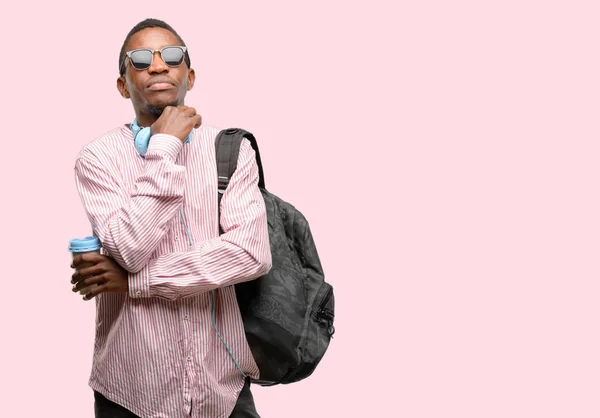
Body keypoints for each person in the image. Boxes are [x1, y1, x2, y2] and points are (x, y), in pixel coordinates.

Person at [70, 18, 272, 418]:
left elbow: (250, 254)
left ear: (189, 76)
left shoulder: (230, 150)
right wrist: (164, 145)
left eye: (172, 56)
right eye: (141, 60)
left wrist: (136, 282)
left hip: (223, 389)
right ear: (123, 85)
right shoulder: (97, 159)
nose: (158, 66)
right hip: (130, 390)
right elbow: (128, 248)